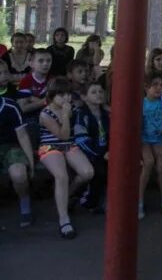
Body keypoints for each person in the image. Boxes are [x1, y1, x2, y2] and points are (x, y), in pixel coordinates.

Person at [38, 78, 94, 238]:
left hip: (69, 146)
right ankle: (64, 219)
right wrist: (64, 114)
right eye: (61, 95)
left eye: (68, 94)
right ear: (52, 95)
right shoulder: (46, 113)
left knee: (87, 172)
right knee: (61, 176)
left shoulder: (72, 107)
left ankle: (66, 195)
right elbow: (62, 135)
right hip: (50, 147)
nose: (66, 98)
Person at [0, 61, 35, 228]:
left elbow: (22, 136)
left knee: (19, 175)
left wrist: (31, 162)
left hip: (10, 147)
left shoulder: (10, 105)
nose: (4, 77)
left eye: (5, 72)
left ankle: (25, 201)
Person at [138, 71, 162, 220]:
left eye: (161, 85)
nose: (159, 88)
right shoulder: (141, 103)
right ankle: (139, 200)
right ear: (146, 86)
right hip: (144, 140)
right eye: (154, 84)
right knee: (148, 162)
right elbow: (138, 128)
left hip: (160, 140)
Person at [73, 81, 110, 213]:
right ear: (84, 97)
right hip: (90, 154)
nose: (99, 95)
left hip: (107, 152)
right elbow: (82, 140)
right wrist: (100, 154)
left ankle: (108, 199)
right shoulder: (81, 114)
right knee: (98, 171)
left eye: (100, 91)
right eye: (93, 92)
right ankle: (88, 201)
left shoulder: (107, 114)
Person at [17, 48, 52, 128]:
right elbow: (23, 108)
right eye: (41, 61)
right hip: (30, 119)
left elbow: (57, 103)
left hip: (50, 117)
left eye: (49, 60)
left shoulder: (53, 80)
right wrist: (46, 100)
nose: (45, 64)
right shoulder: (26, 81)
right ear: (31, 63)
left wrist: (31, 99)